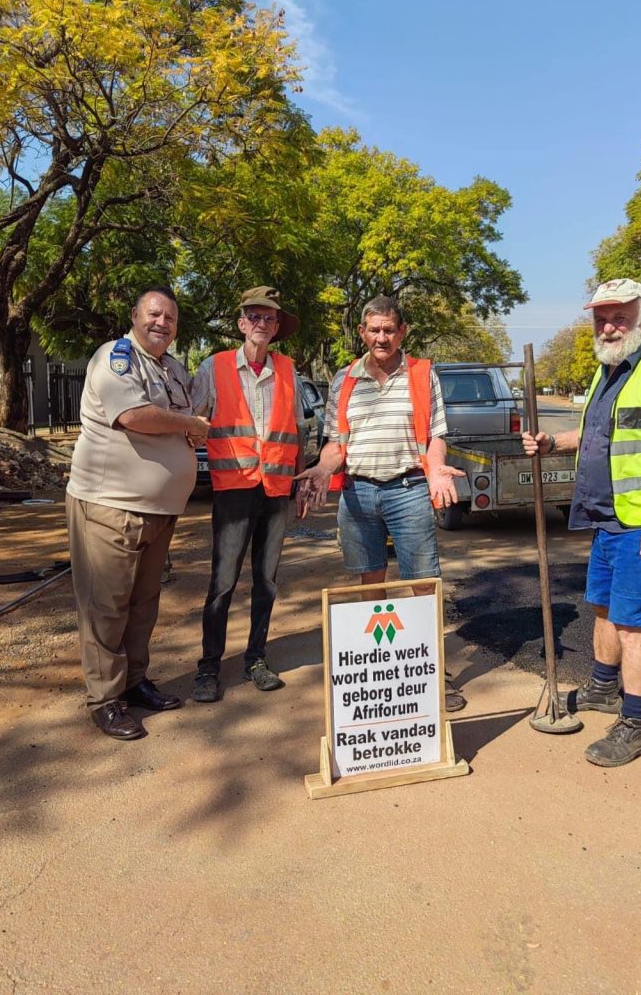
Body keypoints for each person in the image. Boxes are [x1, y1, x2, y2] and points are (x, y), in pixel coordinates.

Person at [522, 278, 641, 766]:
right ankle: (604, 689)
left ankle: (635, 723)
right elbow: (593, 435)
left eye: (619, 316)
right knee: (604, 609)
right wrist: (550, 443)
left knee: (634, 625)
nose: (608, 326)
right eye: (601, 318)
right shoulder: (607, 373)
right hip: (607, 520)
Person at [295, 294, 467, 711]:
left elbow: (435, 437)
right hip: (358, 493)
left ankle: (429, 668)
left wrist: (436, 468)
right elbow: (337, 445)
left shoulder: (423, 375)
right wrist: (321, 469)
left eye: (390, 329)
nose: (382, 337)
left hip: (408, 491)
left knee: (423, 583)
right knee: (371, 582)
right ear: (362, 332)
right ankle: (381, 666)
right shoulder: (344, 379)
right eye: (374, 329)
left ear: (402, 331)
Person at [67, 286, 208, 740]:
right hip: (111, 506)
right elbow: (134, 416)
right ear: (134, 316)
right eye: (153, 313)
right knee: (106, 607)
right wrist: (188, 425)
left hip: (158, 511)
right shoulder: (116, 357)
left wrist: (187, 429)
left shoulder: (171, 369)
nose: (161, 322)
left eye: (169, 317)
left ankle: (132, 682)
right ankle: (105, 701)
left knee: (143, 604)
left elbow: (184, 428)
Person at [189, 286, 305, 702]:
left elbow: (297, 430)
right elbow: (191, 420)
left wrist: (301, 480)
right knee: (222, 582)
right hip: (233, 490)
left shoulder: (289, 370)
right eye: (254, 317)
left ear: (276, 328)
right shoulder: (214, 367)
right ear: (241, 324)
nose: (262, 324)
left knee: (266, 581)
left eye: (269, 319)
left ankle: (255, 658)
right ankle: (208, 667)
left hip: (276, 491)